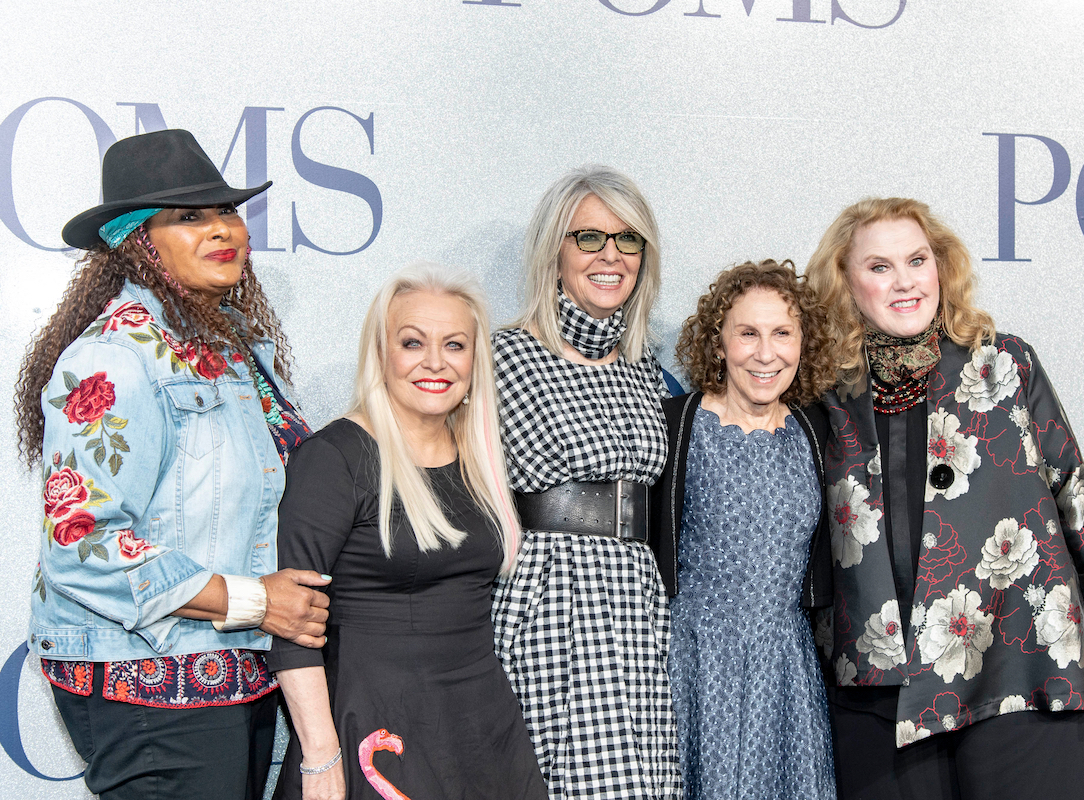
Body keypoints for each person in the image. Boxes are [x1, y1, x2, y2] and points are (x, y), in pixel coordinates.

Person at [803, 197, 1084, 800]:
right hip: (882, 697)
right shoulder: (823, 392)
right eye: (880, 266)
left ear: (941, 267)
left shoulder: (1004, 363)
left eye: (917, 260)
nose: (905, 281)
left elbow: (1074, 492)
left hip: (1025, 672)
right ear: (845, 283)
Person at [15, 128, 330, 800]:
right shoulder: (114, 357)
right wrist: (258, 601)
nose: (221, 229)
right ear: (137, 241)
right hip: (146, 684)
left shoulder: (236, 349)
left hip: (234, 674)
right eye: (189, 216)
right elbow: (83, 544)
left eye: (227, 211)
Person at [268, 264, 547, 800]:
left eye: (455, 345)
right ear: (381, 354)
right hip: (375, 728)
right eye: (413, 342)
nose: (435, 362)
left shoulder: (481, 460)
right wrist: (320, 754)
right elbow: (292, 625)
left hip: (483, 727)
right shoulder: (333, 458)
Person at [490, 166, 681, 799]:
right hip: (550, 596)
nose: (611, 256)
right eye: (589, 237)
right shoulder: (503, 356)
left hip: (638, 599)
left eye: (628, 240)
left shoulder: (645, 367)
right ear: (555, 250)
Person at [650, 260, 839, 799]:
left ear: (803, 344)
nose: (765, 353)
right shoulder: (673, 425)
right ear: (718, 343)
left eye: (782, 334)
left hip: (785, 670)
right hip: (692, 665)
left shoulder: (817, 431)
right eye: (748, 333)